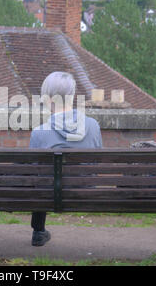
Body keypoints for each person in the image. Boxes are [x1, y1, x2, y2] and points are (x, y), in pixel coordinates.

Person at [29, 71, 103, 246]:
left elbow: (33, 172)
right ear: (72, 95)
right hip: (86, 190)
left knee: (41, 179)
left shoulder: (40, 132)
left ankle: (38, 230)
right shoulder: (93, 125)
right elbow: (97, 161)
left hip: (50, 194)